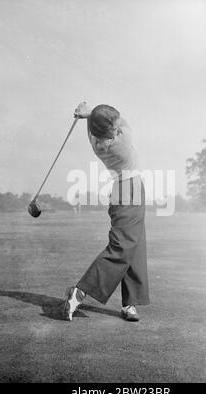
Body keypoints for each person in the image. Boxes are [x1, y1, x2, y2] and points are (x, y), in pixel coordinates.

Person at [63, 102, 150, 322]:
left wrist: (88, 116)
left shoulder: (95, 139)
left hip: (120, 188)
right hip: (129, 189)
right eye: (115, 124)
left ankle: (130, 303)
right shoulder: (122, 141)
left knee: (135, 244)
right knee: (122, 247)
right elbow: (123, 121)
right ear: (109, 130)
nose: (119, 124)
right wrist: (89, 112)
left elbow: (96, 126)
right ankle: (81, 291)